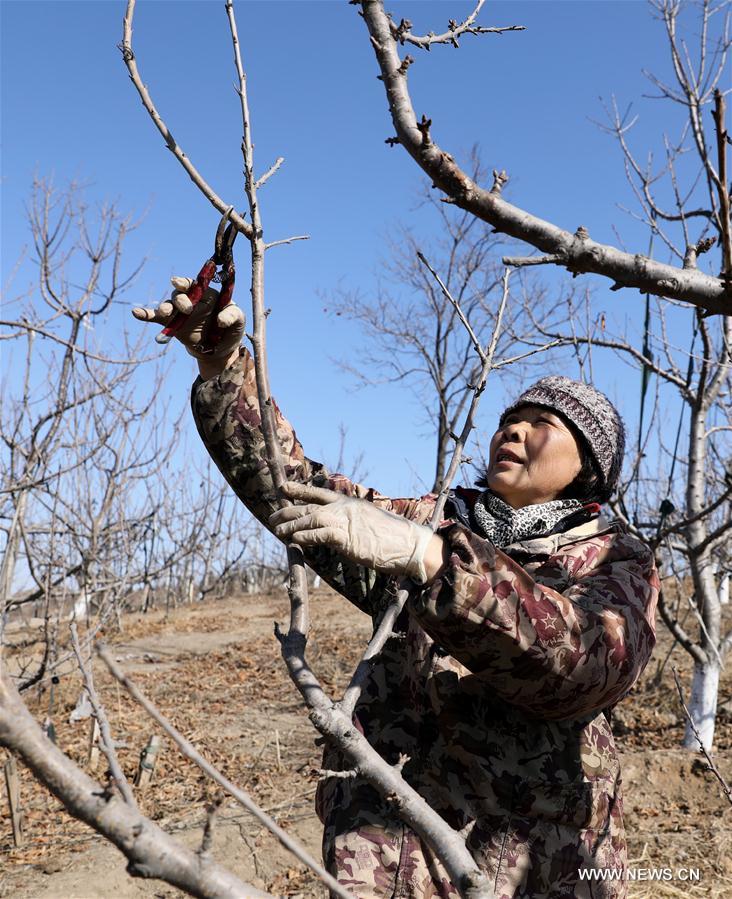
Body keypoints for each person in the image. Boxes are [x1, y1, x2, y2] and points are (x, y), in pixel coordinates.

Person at [134, 281, 659, 899]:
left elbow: (583, 667)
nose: (511, 432)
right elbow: (298, 491)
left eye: (541, 423)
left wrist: (433, 561)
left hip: (528, 867)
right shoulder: (433, 522)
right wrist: (223, 369)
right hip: (379, 857)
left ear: (589, 467)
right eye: (508, 420)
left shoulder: (615, 558)